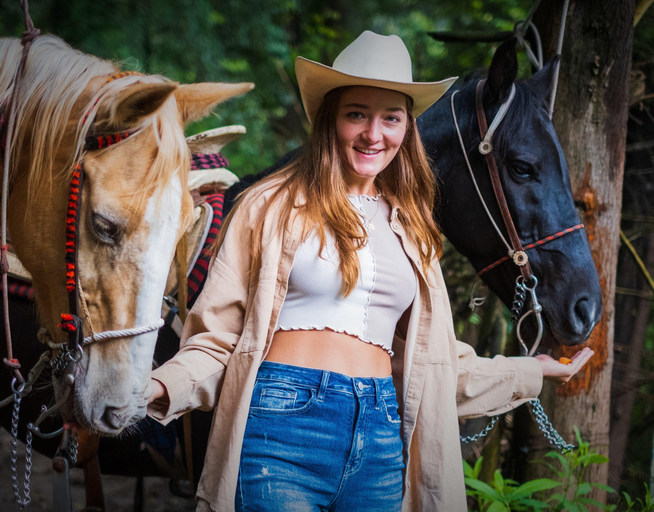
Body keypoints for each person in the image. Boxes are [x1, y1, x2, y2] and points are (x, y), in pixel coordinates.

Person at [148, 30, 594, 512]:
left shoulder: (414, 230)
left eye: (391, 118)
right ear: (331, 118)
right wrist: (157, 386)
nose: (374, 134)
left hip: (380, 438)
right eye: (357, 114)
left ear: (407, 128)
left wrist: (532, 371)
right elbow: (220, 339)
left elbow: (435, 364)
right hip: (281, 428)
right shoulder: (267, 206)